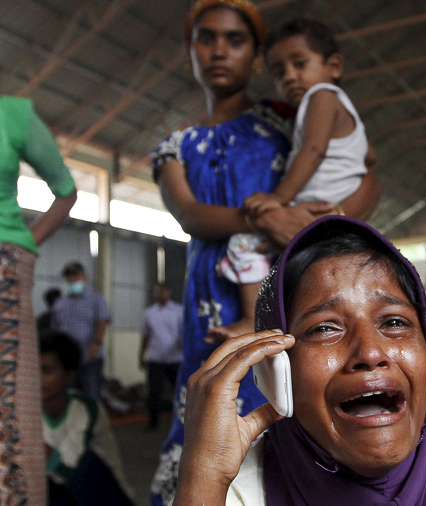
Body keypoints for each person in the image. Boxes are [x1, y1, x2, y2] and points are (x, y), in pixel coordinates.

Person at [173, 215, 426, 506]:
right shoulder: (237, 494)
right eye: (325, 328)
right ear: (275, 367)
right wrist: (203, 476)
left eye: (396, 322)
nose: (370, 352)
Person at [150, 2, 380, 503]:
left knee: (292, 406)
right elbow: (190, 215)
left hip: (289, 284)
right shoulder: (174, 145)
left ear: (256, 56)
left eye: (234, 40)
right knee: (213, 411)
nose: (217, 50)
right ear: (190, 52)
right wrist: (270, 217)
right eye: (205, 39)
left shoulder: (287, 120)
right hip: (211, 296)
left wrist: (332, 219)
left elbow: (368, 173)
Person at [213, 18, 376, 340]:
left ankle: (251, 319)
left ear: (334, 66)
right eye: (278, 72)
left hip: (316, 211)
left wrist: (278, 198)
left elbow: (313, 149)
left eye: (299, 63)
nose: (289, 76)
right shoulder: (334, 107)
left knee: (243, 244)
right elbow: (371, 156)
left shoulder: (322, 96)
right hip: (323, 214)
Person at [0, 94, 77, 506]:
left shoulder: (14, 115)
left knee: (8, 407)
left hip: (4, 266)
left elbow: (65, 192)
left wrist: (24, 247)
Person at [40, 330, 133, 506]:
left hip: (97, 492)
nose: (38, 379)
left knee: (87, 464)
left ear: (69, 375)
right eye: (33, 370)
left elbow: (69, 466)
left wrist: (42, 453)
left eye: (47, 370)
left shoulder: (84, 408)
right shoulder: (30, 410)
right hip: (59, 490)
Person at [51, 261, 111, 401]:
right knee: (68, 398)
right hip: (67, 360)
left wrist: (96, 343)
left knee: (91, 396)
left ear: (84, 277)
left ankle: (94, 422)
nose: (72, 280)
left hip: (89, 358)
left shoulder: (97, 300)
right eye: (69, 277)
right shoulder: (60, 304)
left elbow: (103, 321)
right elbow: (55, 330)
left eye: (75, 276)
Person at [139, 283, 183, 430]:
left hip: (175, 359)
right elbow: (145, 336)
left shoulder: (179, 311)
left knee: (179, 391)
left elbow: (186, 333)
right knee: (154, 392)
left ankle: (182, 422)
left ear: (169, 292)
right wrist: (141, 355)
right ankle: (153, 422)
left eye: (163, 291)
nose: (160, 294)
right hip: (156, 359)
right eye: (157, 291)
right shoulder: (149, 312)